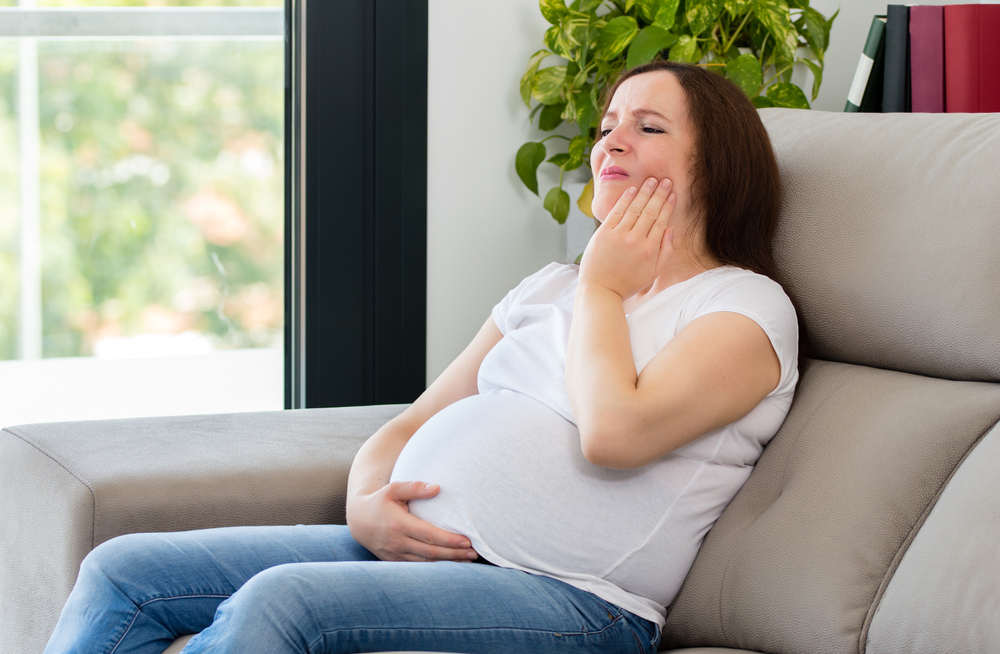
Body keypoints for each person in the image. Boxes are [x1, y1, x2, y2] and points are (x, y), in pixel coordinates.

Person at [43, 61, 798, 654]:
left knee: (282, 602)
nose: (611, 142)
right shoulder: (550, 288)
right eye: (607, 127)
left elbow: (615, 434)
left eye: (648, 126)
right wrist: (364, 505)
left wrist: (602, 286)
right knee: (124, 571)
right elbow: (414, 423)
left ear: (716, 165)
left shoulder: (744, 309)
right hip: (423, 558)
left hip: (579, 600)